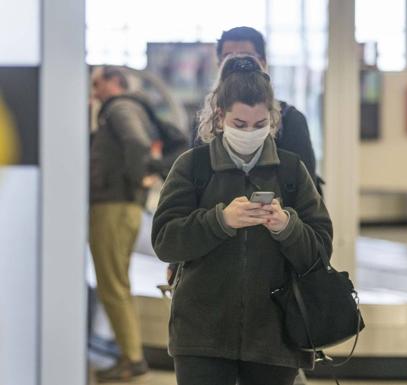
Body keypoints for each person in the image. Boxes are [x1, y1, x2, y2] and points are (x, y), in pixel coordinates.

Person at [151, 55, 333, 385]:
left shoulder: (291, 171)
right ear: (220, 117)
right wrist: (220, 220)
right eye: (240, 124)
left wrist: (287, 227)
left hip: (275, 339)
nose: (250, 132)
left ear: (272, 120)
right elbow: (165, 240)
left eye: (260, 124)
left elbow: (320, 251)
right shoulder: (192, 167)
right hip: (201, 339)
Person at [90, 66, 152, 382]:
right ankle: (129, 355)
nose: (94, 90)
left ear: (116, 82)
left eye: (98, 83)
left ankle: (132, 358)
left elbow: (137, 143)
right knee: (116, 284)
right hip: (118, 204)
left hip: (113, 205)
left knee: (112, 285)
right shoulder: (119, 109)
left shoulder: (120, 107)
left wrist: (135, 181)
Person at [214, 26, 320, 191]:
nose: (237, 64)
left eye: (246, 57)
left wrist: (283, 216)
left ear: (262, 63)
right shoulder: (203, 122)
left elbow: (308, 196)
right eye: (228, 58)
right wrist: (220, 216)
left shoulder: (291, 120)